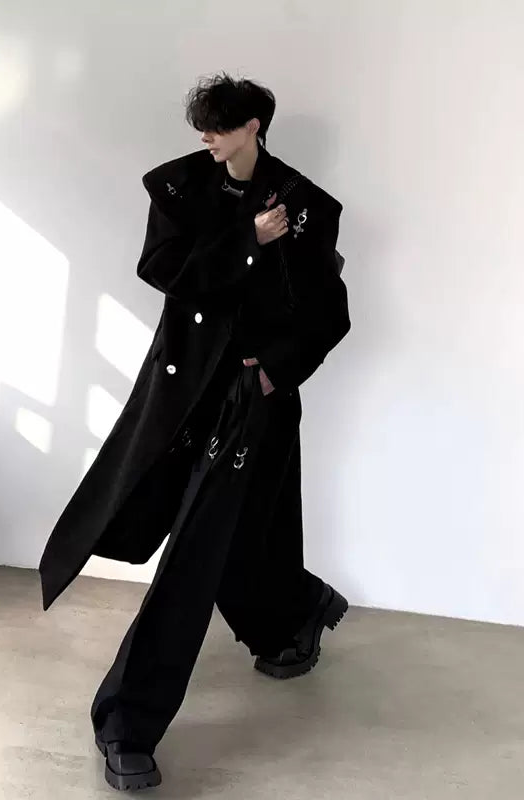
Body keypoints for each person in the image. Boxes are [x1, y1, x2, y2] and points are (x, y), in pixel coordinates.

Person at [38, 71, 351, 791]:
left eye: (220, 125)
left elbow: (328, 312)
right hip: (183, 392)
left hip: (252, 395)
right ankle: (294, 614)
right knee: (228, 536)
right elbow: (163, 269)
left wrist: (274, 373)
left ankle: (127, 722)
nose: (206, 136)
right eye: (203, 124)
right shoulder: (180, 188)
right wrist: (248, 240)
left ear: (253, 127)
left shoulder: (304, 204)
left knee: (200, 552)